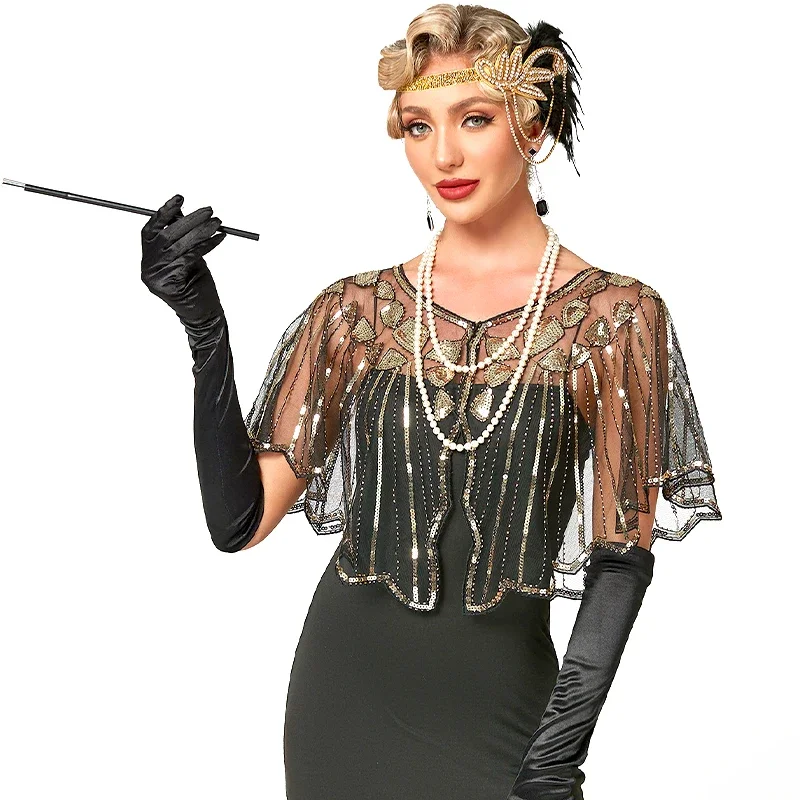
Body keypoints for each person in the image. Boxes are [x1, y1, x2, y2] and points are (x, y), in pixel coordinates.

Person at [139, 4, 721, 799]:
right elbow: (237, 523)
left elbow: (621, 562)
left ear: (533, 125)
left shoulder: (614, 318)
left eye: (474, 119)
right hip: (345, 705)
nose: (443, 153)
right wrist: (204, 327)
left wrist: (555, 757)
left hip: (507, 714)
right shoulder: (356, 311)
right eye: (418, 126)